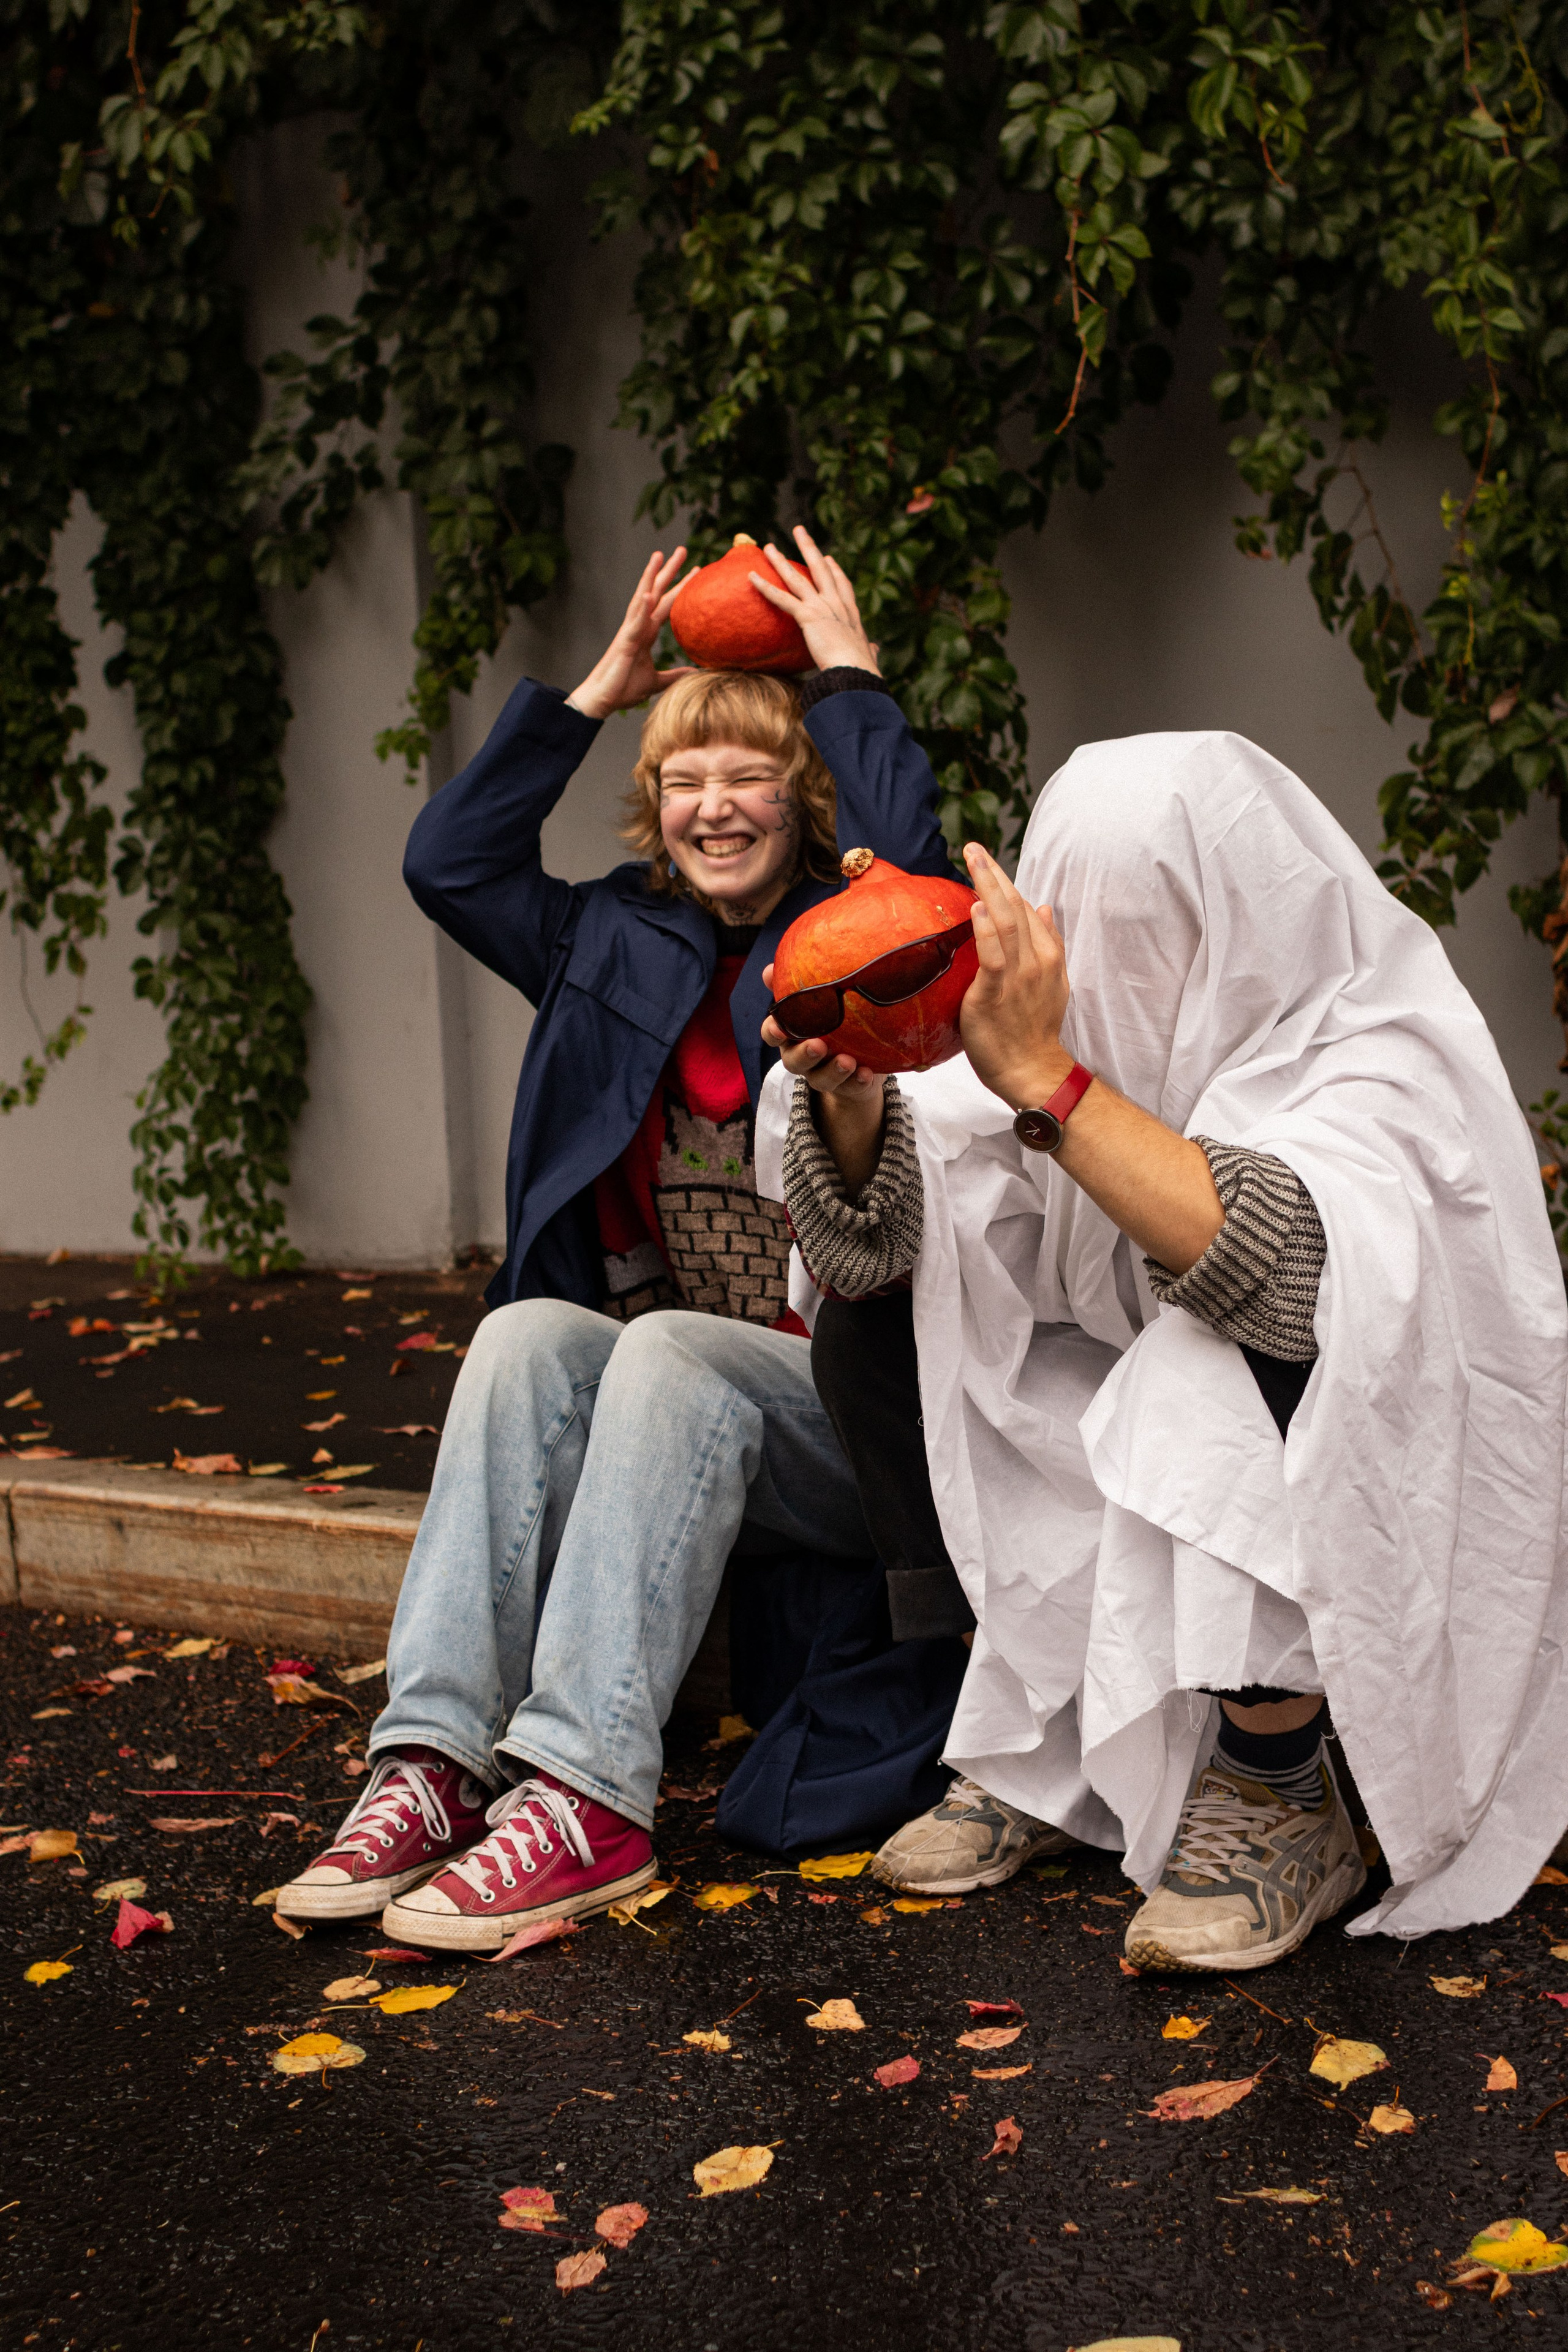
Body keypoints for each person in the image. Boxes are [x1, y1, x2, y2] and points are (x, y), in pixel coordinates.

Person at [765, 728, 1568, 1969]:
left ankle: (1277, 1781)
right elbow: (869, 1256)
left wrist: (1047, 1079)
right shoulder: (1045, 1036)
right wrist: (857, 1106)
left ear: (1245, 916)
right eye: (1081, 922)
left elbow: (1278, 1284)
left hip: (1367, 1462)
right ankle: (1038, 1725)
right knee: (893, 1314)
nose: (1111, 966)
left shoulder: (1374, 1054)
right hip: (1125, 1420)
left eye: (1153, 927)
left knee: (1203, 1359)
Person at [276, 532, 967, 1948]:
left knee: (668, 1354)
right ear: (652, 804)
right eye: (682, 779)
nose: (713, 807)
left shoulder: (849, 944)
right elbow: (448, 861)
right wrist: (594, 696)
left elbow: (909, 877)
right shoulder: (601, 938)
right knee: (526, 1336)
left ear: (802, 792)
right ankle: (431, 1760)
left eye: (747, 775)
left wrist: (847, 678)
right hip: (668, 1411)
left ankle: (587, 1797)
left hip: (851, 1427)